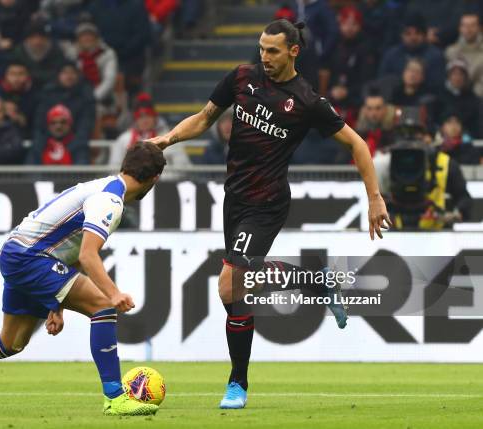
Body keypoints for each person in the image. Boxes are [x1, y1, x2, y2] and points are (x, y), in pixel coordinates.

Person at [146, 19, 390, 409]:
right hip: (234, 200)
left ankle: (237, 383)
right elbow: (205, 117)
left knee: (229, 285)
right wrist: (169, 139)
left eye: (272, 50)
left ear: (294, 51)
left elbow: (357, 144)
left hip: (267, 202)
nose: (264, 57)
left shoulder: (307, 100)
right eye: (261, 48)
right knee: (239, 289)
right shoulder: (242, 78)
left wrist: (374, 197)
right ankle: (317, 281)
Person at [0, 141, 166, 416]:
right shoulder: (110, 200)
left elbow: (74, 252)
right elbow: (89, 255)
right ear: (155, 179)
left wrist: (57, 304)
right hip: (31, 258)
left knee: (11, 342)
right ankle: (114, 397)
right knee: (102, 305)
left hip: (20, 254)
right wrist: (113, 294)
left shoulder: (104, 188)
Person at [34, 61, 95, 163]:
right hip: (47, 143)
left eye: (72, 73)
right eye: (65, 73)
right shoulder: (47, 94)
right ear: (58, 75)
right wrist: (47, 142)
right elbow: (40, 125)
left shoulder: (86, 96)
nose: (69, 76)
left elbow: (85, 126)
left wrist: (72, 145)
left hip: (76, 144)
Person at [109, 93, 190, 168]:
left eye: (148, 116)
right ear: (136, 119)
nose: (145, 120)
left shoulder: (169, 138)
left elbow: (183, 165)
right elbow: (114, 167)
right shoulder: (124, 139)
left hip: (165, 182)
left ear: (155, 118)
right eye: (140, 117)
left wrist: (164, 179)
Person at [378, 13, 445, 91]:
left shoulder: (435, 56)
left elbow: (438, 85)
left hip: (426, 98)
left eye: (417, 33)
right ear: (401, 35)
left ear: (424, 35)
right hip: (395, 98)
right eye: (408, 33)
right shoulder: (392, 55)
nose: (413, 37)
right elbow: (382, 82)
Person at [10, 18, 65, 89]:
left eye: (41, 37)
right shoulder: (19, 51)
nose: (37, 41)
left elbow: (58, 70)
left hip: (51, 84)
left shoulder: (55, 50)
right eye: (33, 37)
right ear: (27, 39)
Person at [0, 60, 37, 138]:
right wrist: (1, 109)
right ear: (5, 76)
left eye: (20, 74)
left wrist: (17, 117)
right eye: (12, 74)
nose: (16, 78)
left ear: (28, 76)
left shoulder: (36, 95)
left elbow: (38, 126)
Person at [445, 13, 483, 97]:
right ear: (460, 28)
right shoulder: (451, 52)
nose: (468, 29)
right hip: (453, 98)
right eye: (465, 26)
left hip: (477, 100)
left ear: (480, 28)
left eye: (472, 26)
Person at [355, 89, 396, 157]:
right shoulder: (356, 135)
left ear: (385, 109)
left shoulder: (394, 134)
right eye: (369, 108)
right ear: (364, 110)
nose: (374, 113)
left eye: (378, 108)